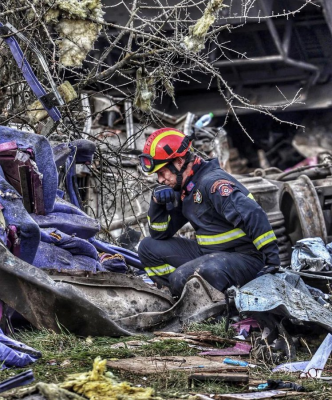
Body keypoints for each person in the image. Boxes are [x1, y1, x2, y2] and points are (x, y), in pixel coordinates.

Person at [138, 127, 280, 296]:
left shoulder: (212, 183)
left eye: (162, 172)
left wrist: (271, 260)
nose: (160, 179)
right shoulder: (186, 187)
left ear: (179, 162)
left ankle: (215, 305)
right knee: (147, 247)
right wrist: (157, 203)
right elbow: (159, 234)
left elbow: (253, 214)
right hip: (209, 253)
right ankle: (179, 296)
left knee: (182, 277)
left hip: (244, 258)